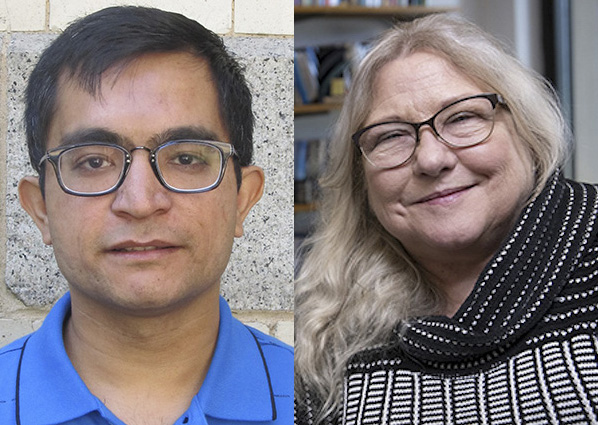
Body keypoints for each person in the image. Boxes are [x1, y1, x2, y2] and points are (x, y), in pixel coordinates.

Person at [295, 13, 598, 425]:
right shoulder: (322, 327)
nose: (431, 159)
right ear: (359, 179)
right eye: (391, 136)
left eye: (462, 117)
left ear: (527, 130)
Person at [0, 6, 293, 425]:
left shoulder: (315, 397)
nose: (140, 202)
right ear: (41, 208)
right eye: (94, 162)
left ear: (243, 199)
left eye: (187, 157)